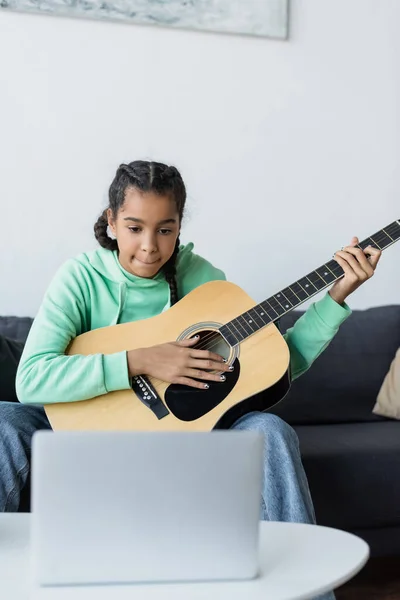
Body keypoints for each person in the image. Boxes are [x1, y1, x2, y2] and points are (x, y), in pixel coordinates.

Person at [0, 161, 381, 599]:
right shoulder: (80, 278)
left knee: (269, 430)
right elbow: (30, 379)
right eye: (133, 227)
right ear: (110, 221)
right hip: (78, 433)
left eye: (165, 229)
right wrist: (140, 361)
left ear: (180, 225)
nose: (148, 247)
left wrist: (334, 297)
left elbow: (275, 363)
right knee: (4, 422)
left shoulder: (206, 283)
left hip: (182, 438)